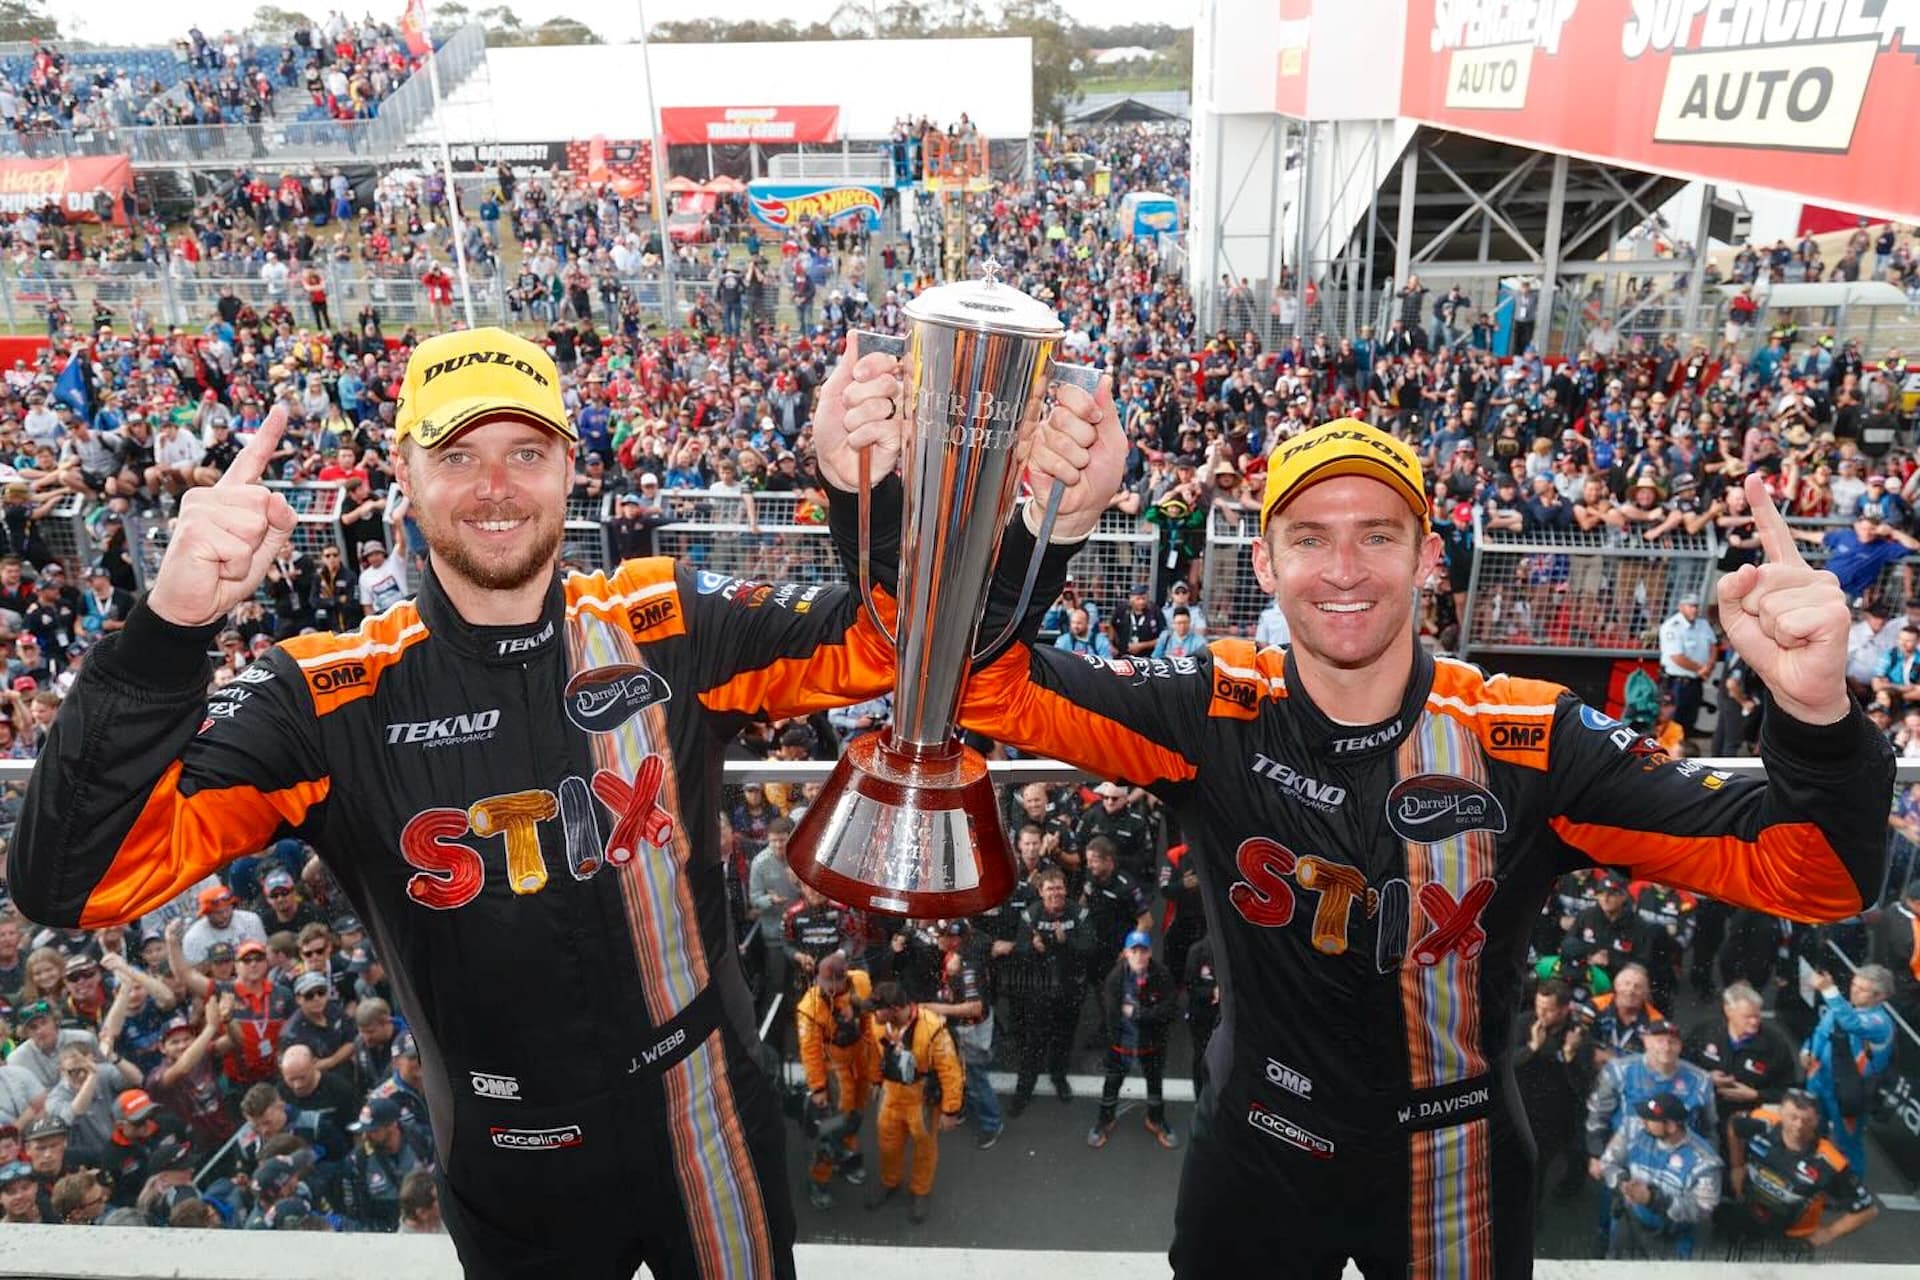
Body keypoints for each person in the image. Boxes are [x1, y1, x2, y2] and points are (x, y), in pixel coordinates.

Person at [11, 328, 1097, 1279]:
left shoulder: (665, 617)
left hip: (707, 1104)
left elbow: (905, 657)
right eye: (459, 455)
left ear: (570, 468)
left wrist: (866, 491)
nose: (496, 484)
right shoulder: (325, 691)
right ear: (404, 471)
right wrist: (166, 628)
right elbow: (76, 880)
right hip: (507, 1148)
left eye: (525, 451)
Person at [854, 408, 1893, 1277]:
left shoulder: (1529, 737)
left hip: (1459, 1158)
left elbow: (1818, 875)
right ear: (1262, 559)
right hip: (1257, 1143)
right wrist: (1051, 526)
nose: (1343, 569)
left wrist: (1813, 717)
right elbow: (974, 688)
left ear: (1429, 556)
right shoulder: (1211, 706)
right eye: (1309, 536)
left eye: (1379, 534)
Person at [1718, 1088, 1878, 1257]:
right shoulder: (1761, 1122)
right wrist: (1737, 1166)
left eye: (1806, 1120)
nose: (1798, 1125)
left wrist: (1828, 1233)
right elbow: (1734, 1124)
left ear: (1817, 1121)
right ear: (1780, 1112)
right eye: (1792, 1117)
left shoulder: (1830, 1163)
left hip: (1791, 1237)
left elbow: (1867, 1210)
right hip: (1748, 1214)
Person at [862, 979, 962, 1224]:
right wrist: (875, 1081)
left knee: (925, 1147)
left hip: (921, 1097)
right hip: (891, 1092)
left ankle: (920, 1191)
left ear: (895, 1009)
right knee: (887, 1142)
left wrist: (951, 1111)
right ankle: (890, 1181)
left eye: (878, 1009)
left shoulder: (933, 1028)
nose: (873, 1014)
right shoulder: (878, 1024)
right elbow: (874, 1054)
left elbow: (950, 1071)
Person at [792, 951, 876, 1209]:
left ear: (843, 980)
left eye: (830, 984)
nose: (824, 987)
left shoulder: (860, 980)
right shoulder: (810, 1007)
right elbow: (810, 1051)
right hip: (835, 1066)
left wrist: (875, 1070)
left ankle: (847, 1158)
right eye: (822, 981)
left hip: (860, 1056)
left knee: (856, 1115)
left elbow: (870, 1020)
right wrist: (818, 1088)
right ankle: (819, 1179)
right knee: (832, 1125)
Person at [1595, 1092, 1722, 1259]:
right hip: (1629, 1222)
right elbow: (1607, 1163)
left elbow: (1702, 1210)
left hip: (1673, 1237)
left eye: (1649, 1119)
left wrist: (1654, 1199)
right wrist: (1623, 1182)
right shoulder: (1632, 1130)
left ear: (1670, 1126)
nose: (1643, 1122)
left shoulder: (1706, 1162)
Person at [1087, 931, 1179, 1151]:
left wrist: (1138, 1014)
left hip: (1153, 1045)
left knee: (1155, 1085)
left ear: (1150, 953)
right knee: (1112, 1084)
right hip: (1122, 1046)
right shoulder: (1115, 979)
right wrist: (1150, 1015)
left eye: (1143, 951)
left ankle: (1156, 1120)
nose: (1138, 955)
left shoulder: (1162, 974)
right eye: (1134, 951)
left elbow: (1169, 1010)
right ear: (1126, 953)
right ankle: (1105, 1120)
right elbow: (1112, 1016)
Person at [1801, 963, 1896, 1174]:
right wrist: (1806, 1051)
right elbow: (1820, 1032)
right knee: (1811, 1134)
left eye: (1862, 989)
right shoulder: (1842, 1007)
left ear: (1880, 997)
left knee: (1847, 1144)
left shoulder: (1880, 1023)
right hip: (1819, 1082)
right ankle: (1811, 1179)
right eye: (1854, 984)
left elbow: (1852, 1024)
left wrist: (1828, 990)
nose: (1854, 990)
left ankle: (1852, 1196)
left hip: (1849, 1093)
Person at [1683, 981, 1796, 1127]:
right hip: (1703, 1111)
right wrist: (1705, 1077)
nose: (1754, 1022)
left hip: (1748, 1118)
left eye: (1757, 1016)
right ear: (1728, 1011)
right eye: (1747, 1016)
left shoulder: (1775, 1044)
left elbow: (1789, 1090)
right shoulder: (1705, 1033)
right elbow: (1681, 1066)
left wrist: (1756, 1095)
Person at [1658, 594, 1718, 736]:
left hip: (1695, 681)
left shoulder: (1702, 624)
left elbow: (1714, 645)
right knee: (1671, 722)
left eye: (1696, 606)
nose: (1694, 610)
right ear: (1681, 607)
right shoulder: (1672, 626)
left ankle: (1683, 751)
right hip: (1676, 683)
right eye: (1690, 606)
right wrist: (1701, 669)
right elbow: (1677, 657)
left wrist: (1709, 666)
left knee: (1690, 720)